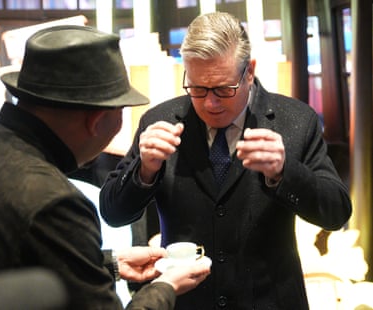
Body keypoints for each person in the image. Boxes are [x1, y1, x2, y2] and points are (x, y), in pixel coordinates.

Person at [0, 25, 211, 309]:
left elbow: (2, 267)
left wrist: (109, 264)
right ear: (96, 120)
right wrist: (166, 287)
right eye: (120, 111)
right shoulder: (53, 200)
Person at [99, 11, 352, 309]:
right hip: (186, 301)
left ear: (249, 71)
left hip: (270, 300)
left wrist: (286, 172)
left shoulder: (295, 120)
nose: (210, 103)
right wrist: (144, 170)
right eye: (197, 88)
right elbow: (113, 213)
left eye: (223, 89)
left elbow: (336, 213)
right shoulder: (160, 121)